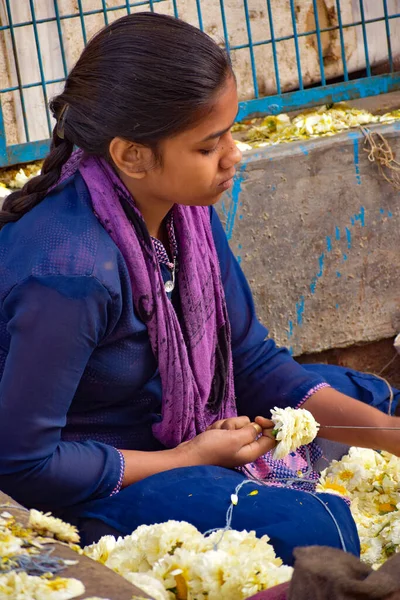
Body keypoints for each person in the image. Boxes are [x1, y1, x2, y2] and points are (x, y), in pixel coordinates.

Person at [0, 13, 398, 566]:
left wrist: (390, 435)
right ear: (131, 154)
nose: (235, 154)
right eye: (211, 146)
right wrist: (187, 457)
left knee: (369, 401)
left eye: (231, 132)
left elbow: (250, 360)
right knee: (310, 531)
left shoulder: (183, 212)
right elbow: (23, 462)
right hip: (100, 479)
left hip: (192, 431)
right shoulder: (70, 273)